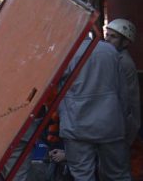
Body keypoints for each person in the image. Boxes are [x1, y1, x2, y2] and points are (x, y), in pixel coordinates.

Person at [58, 38, 131, 180]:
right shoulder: (110, 51)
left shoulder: (66, 52)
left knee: (82, 175)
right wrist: (123, 118)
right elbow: (123, 91)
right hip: (110, 122)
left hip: (76, 124)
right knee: (118, 174)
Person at [105, 19, 140, 146]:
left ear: (125, 42)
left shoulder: (123, 62)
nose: (107, 39)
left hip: (123, 125)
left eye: (113, 37)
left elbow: (126, 102)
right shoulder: (113, 56)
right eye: (107, 35)